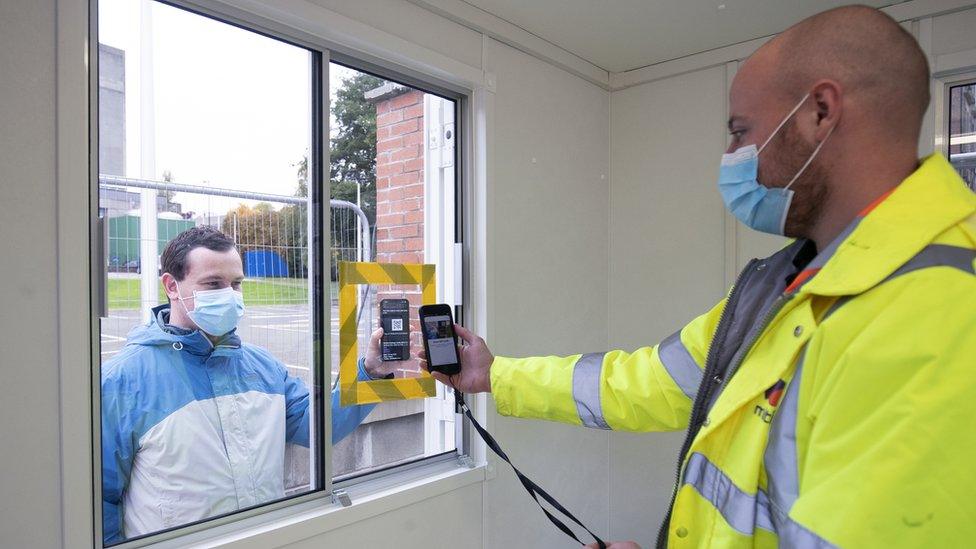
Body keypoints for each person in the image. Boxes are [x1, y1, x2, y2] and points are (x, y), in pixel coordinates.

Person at [418, 6, 976, 548]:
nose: (732, 155)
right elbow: (650, 382)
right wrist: (496, 374)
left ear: (820, 112)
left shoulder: (944, 314)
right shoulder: (781, 283)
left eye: (740, 131)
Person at [101, 226, 394, 543]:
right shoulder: (122, 380)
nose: (230, 295)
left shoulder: (263, 367)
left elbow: (321, 426)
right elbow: (100, 497)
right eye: (214, 284)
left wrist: (370, 373)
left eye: (236, 284)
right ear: (172, 286)